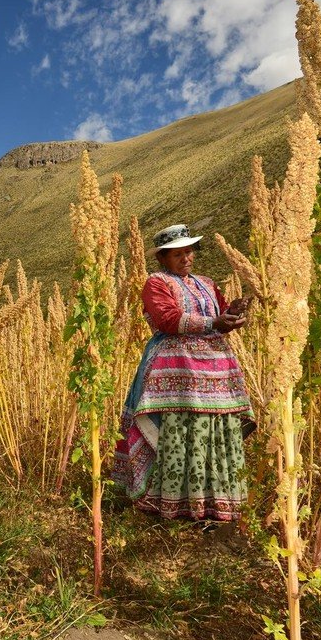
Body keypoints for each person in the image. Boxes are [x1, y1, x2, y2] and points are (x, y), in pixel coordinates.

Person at [113, 224, 253, 524]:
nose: (186, 258)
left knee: (215, 428)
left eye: (189, 251)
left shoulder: (206, 282)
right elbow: (167, 318)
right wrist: (214, 322)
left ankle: (216, 504)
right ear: (162, 258)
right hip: (175, 369)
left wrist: (235, 313)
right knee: (178, 428)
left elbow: (221, 315)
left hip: (216, 368)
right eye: (177, 254)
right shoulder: (156, 282)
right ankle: (174, 505)